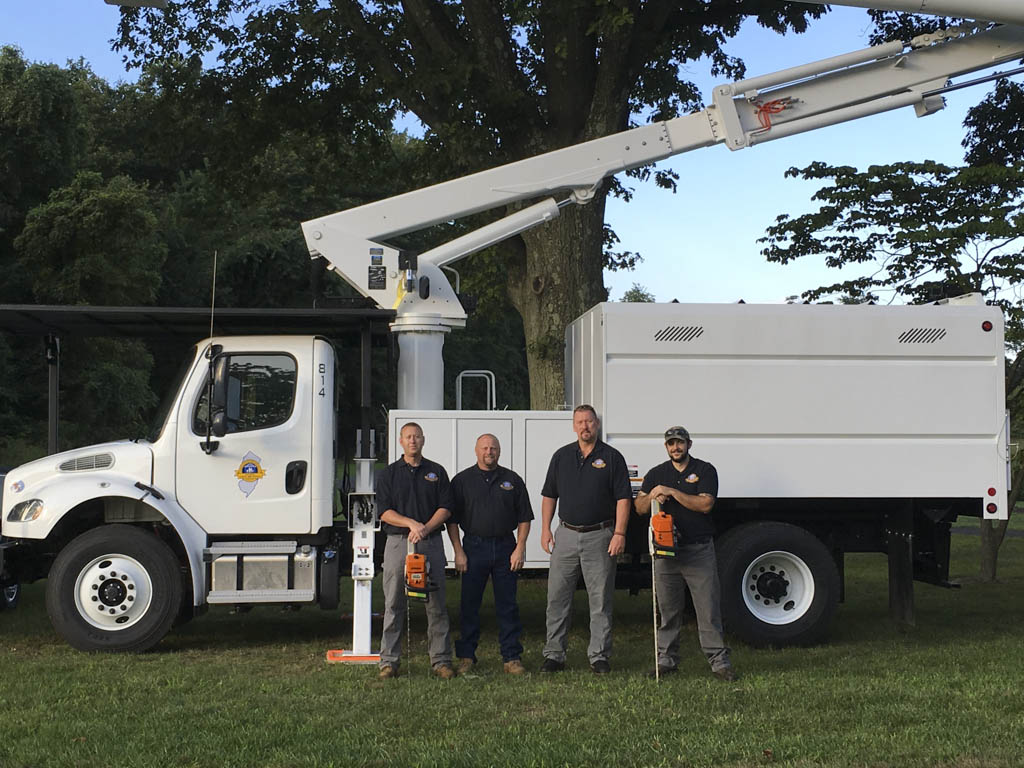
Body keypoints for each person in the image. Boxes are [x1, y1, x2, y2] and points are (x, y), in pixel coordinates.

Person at [634, 426, 738, 681]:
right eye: (671, 444)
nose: (675, 448)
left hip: (698, 550)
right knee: (668, 610)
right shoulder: (657, 473)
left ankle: (719, 662)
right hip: (665, 552)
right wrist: (653, 496)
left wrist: (673, 493)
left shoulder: (704, 470)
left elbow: (705, 504)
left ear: (689, 444)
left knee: (707, 609)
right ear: (666, 447)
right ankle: (667, 661)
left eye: (680, 443)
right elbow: (638, 507)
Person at [539, 404, 632, 674]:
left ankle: (599, 656)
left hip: (600, 536)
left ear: (597, 425)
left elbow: (623, 499)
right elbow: (549, 495)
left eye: (589, 422)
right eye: (580, 422)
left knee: (600, 599)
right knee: (557, 597)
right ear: (573, 426)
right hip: (566, 535)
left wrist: (620, 533)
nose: (585, 427)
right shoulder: (561, 456)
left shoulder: (612, 458)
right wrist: (545, 529)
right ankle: (554, 654)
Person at [374, 422, 456, 679]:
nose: (413, 441)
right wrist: (411, 523)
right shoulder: (388, 474)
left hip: (430, 542)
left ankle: (441, 661)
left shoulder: (437, 472)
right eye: (408, 437)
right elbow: (384, 512)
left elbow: (446, 507)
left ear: (423, 440)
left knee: (436, 604)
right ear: (401, 441)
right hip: (398, 543)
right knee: (393, 603)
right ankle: (389, 661)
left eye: (417, 437)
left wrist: (425, 528)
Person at [447, 434, 533, 675]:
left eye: (493, 448)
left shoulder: (512, 480)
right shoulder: (462, 481)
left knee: (507, 605)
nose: (489, 452)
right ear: (476, 451)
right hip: (473, 547)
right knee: (469, 605)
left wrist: (520, 547)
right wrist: (458, 551)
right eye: (485, 448)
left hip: (506, 546)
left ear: (500, 451)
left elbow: (525, 518)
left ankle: (512, 657)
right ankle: (466, 657)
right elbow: (451, 520)